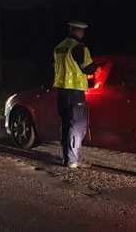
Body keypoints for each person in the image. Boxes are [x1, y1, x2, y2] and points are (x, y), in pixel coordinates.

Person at [53, 21, 96, 168]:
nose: (83, 34)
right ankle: (72, 160)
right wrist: (94, 67)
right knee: (77, 126)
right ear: (78, 31)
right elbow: (89, 68)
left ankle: (66, 158)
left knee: (66, 124)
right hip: (75, 92)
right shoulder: (79, 47)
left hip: (61, 91)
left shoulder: (59, 47)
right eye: (82, 31)